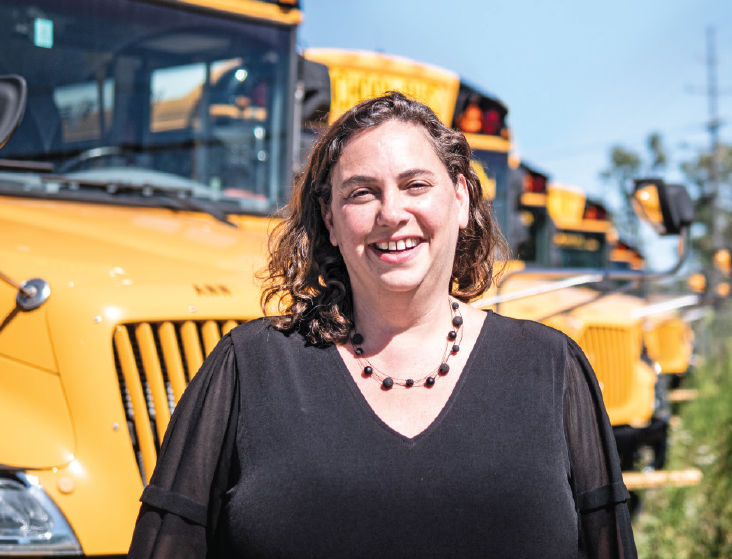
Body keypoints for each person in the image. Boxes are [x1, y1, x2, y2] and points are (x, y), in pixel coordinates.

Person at [128, 90, 637, 559]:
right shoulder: (248, 367)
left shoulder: (551, 368)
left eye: (416, 184)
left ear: (460, 199)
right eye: (361, 193)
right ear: (329, 219)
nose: (391, 213)